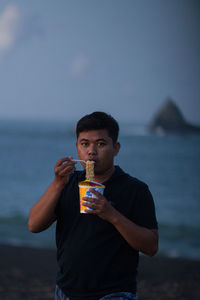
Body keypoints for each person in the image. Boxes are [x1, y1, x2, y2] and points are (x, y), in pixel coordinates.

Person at [28, 112, 158, 300]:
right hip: (66, 291)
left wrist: (111, 214)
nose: (91, 151)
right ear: (77, 148)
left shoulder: (135, 190)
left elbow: (151, 246)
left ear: (116, 148)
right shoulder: (67, 183)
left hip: (114, 293)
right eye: (85, 144)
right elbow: (34, 225)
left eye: (101, 144)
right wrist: (57, 183)